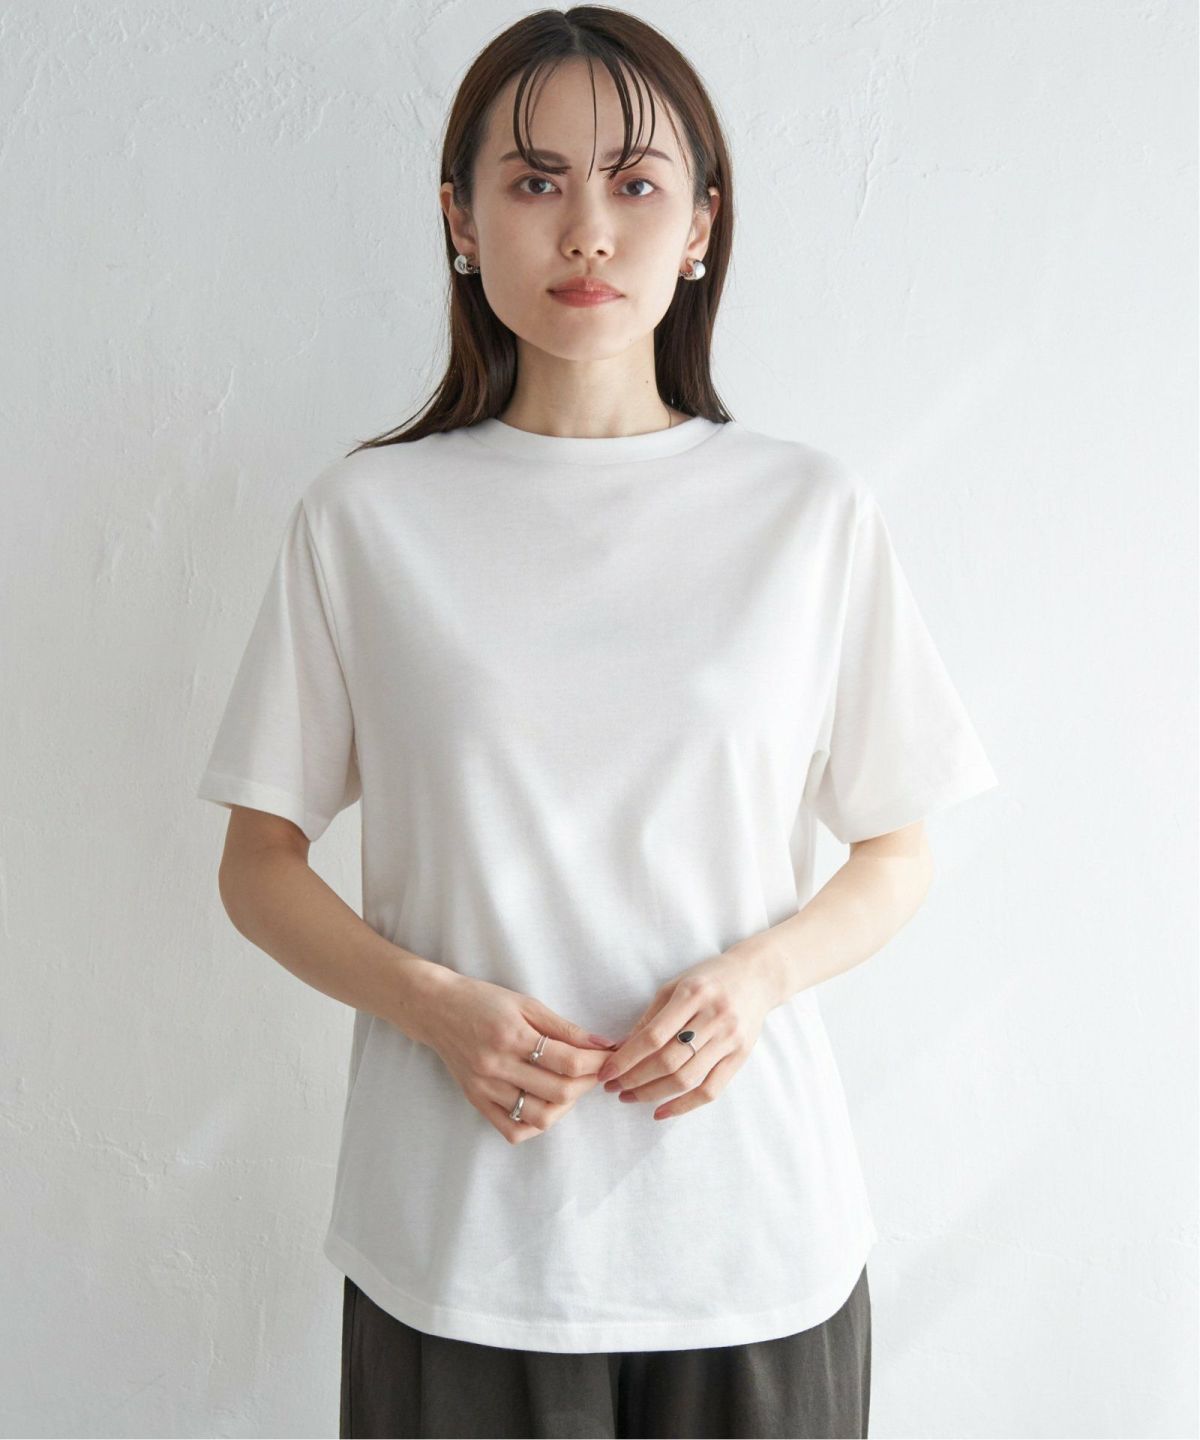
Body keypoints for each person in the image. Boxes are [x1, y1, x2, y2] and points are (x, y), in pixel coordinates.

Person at [196, 8, 999, 1438]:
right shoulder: (366, 520)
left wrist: (756, 980)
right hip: (457, 1248)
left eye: (635, 183)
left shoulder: (807, 514)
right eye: (534, 181)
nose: (586, 230)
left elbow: (897, 850)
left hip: (753, 1241)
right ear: (462, 219)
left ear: (701, 226)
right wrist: (429, 1005)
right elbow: (258, 865)